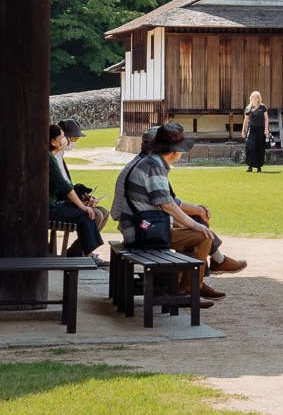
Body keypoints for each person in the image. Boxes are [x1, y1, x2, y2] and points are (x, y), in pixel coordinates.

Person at [112, 123, 247, 303]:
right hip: (142, 234)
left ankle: (189, 285)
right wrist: (193, 224)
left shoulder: (151, 163)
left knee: (198, 233)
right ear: (175, 152)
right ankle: (188, 291)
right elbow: (166, 203)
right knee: (202, 236)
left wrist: (192, 222)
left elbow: (165, 202)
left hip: (144, 229)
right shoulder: (154, 166)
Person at [48, 122, 107, 260]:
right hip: (49, 207)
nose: (66, 140)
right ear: (53, 142)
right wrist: (81, 206)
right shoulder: (49, 158)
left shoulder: (53, 157)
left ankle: (85, 253)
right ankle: (87, 255)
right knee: (87, 215)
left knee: (90, 213)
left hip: (53, 203)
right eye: (62, 137)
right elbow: (63, 185)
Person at [241, 90, 269, 173]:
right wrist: (243, 130)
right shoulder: (248, 108)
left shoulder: (263, 107)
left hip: (260, 129)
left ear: (259, 98)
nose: (254, 98)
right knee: (250, 146)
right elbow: (245, 121)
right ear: (250, 98)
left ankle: (259, 166)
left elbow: (266, 118)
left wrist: (266, 129)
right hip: (251, 129)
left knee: (259, 147)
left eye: (256, 97)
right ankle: (250, 166)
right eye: (253, 97)